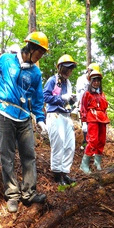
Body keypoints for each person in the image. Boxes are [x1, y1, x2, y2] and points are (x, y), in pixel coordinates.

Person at [0, 31, 49, 212]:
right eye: (39, 53)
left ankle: (29, 192)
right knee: (7, 156)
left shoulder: (36, 72)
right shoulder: (7, 60)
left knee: (29, 155)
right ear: (30, 48)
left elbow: (37, 99)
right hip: (5, 114)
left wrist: (41, 119)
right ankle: (12, 194)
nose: (40, 58)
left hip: (24, 118)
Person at [43, 54, 77, 185]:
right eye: (67, 68)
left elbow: (68, 101)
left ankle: (65, 173)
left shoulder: (68, 83)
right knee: (59, 144)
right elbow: (45, 96)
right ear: (61, 68)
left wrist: (72, 101)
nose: (69, 71)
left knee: (70, 145)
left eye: (71, 69)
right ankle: (57, 175)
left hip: (66, 115)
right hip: (55, 114)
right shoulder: (52, 80)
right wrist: (61, 98)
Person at [79, 70, 110, 174]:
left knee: (102, 140)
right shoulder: (87, 94)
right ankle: (84, 164)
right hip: (92, 118)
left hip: (102, 118)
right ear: (91, 81)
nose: (96, 82)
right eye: (94, 80)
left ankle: (97, 162)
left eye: (98, 80)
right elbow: (83, 107)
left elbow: (105, 107)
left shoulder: (102, 94)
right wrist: (84, 121)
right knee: (93, 140)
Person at [75, 63, 101, 149]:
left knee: (91, 125)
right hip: (82, 104)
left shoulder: (94, 81)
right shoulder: (81, 80)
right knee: (85, 126)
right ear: (88, 70)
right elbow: (81, 94)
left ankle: (89, 144)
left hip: (92, 106)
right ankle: (85, 144)